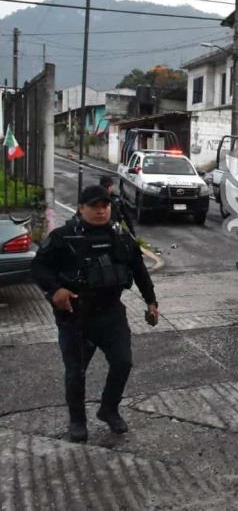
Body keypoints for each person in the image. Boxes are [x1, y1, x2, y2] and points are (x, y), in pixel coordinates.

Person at [31, 185, 159, 443]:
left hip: (112, 314)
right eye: (94, 206)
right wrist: (55, 290)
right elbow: (38, 267)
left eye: (105, 206)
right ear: (81, 208)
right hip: (76, 318)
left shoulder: (121, 238)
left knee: (123, 363)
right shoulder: (63, 237)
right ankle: (77, 420)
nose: (101, 211)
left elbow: (139, 270)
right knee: (76, 372)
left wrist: (151, 301)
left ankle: (108, 409)